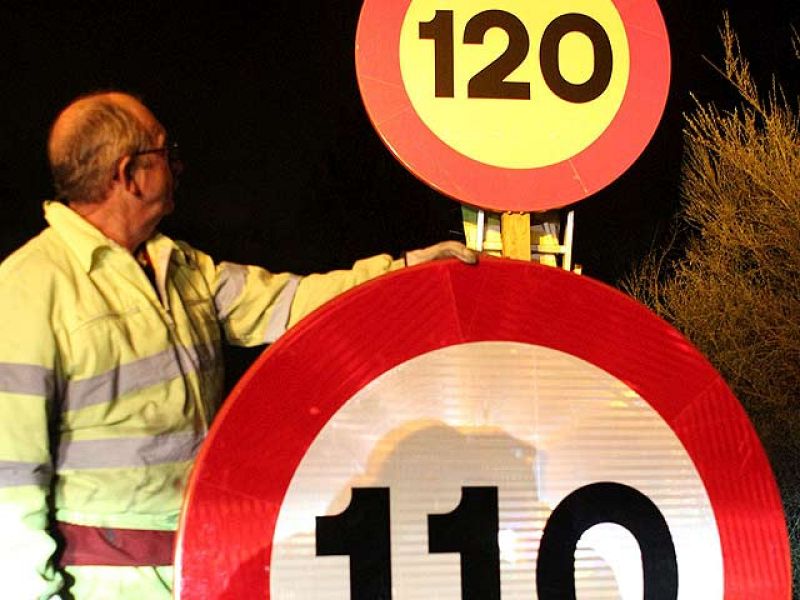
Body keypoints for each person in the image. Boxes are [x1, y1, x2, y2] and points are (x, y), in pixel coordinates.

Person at [0, 91, 476, 599]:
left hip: (196, 567)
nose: (179, 166)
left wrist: (401, 276)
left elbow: (290, 302)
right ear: (129, 173)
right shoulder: (29, 287)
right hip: (100, 585)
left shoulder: (180, 268)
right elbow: (9, 472)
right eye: (165, 152)